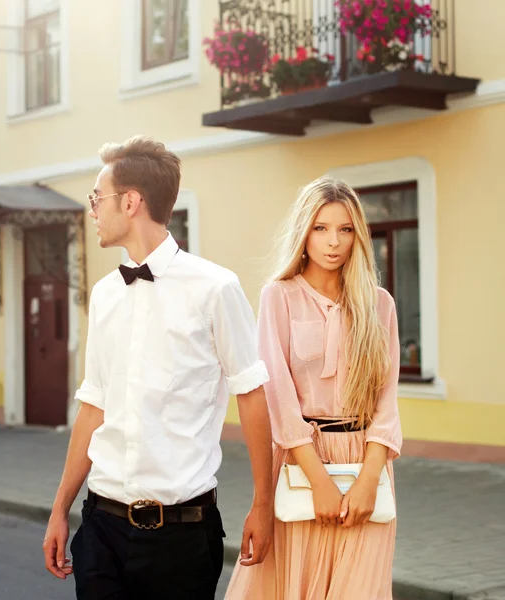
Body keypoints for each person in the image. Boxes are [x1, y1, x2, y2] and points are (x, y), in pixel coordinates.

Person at [42, 135, 274, 600]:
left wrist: (263, 504)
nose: (92, 209)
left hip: (182, 537)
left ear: (131, 202)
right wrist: (59, 509)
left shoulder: (216, 289)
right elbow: (93, 406)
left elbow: (252, 397)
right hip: (101, 527)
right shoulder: (105, 294)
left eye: (97, 198)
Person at [226, 176, 402, 600]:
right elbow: (278, 398)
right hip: (301, 460)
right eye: (321, 228)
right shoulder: (278, 297)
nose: (333, 242)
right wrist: (318, 478)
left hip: (367, 463)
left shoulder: (379, 303)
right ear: (303, 233)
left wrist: (369, 477)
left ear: (357, 236)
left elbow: (387, 398)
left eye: (345, 229)